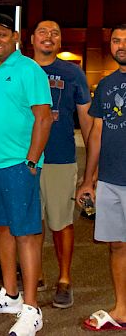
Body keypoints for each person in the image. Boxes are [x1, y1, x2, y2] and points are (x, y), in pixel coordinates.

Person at [0, 13, 52, 336]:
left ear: (16, 37)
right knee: (3, 228)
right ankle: (10, 294)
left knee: (26, 234)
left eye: (2, 35)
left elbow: (44, 118)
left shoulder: (29, 70)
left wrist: (32, 161)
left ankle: (32, 310)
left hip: (19, 165)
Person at [30, 20, 93, 309]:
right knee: (30, 222)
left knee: (61, 223)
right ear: (31, 39)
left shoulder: (72, 73)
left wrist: (91, 172)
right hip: (24, 159)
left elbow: (88, 120)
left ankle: (64, 280)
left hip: (60, 158)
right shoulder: (21, 69)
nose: (49, 36)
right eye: (43, 31)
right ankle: (35, 275)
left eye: (55, 33)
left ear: (60, 41)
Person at [77, 24, 126, 331]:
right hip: (110, 179)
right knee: (117, 246)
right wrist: (88, 179)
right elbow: (96, 133)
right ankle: (122, 308)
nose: (122, 45)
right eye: (117, 40)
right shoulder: (107, 85)